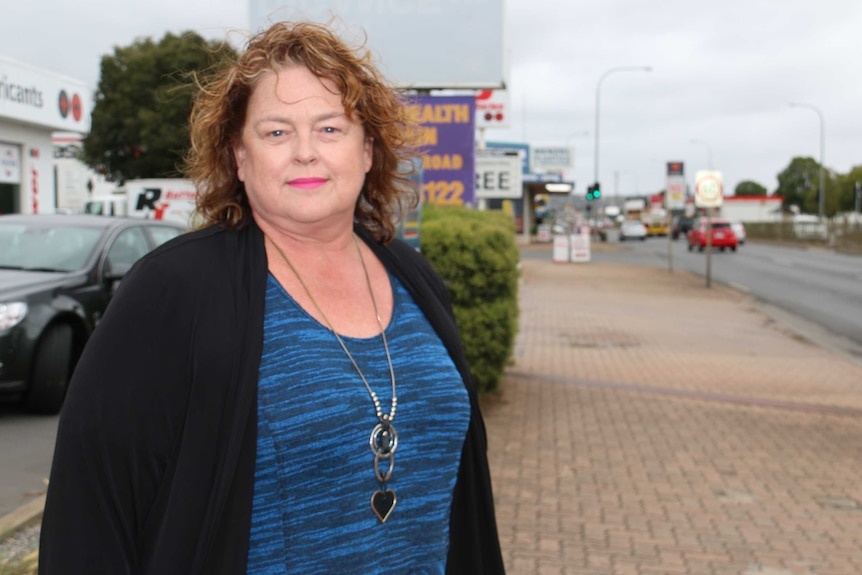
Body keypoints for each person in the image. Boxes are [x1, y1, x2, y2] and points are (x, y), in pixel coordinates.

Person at [39, 20, 504, 575]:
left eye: (330, 129)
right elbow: (90, 509)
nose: (305, 152)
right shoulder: (171, 290)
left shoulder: (414, 276)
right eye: (277, 133)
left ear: (368, 152)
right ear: (239, 157)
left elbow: (464, 500)